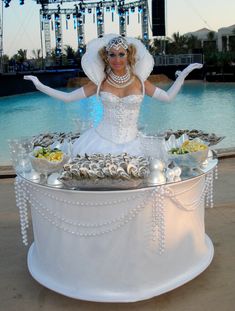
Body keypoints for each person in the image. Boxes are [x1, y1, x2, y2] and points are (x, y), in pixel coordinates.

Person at [24, 34, 202, 157]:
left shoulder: (140, 82)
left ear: (128, 55)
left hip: (134, 143)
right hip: (100, 141)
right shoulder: (100, 82)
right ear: (106, 57)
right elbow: (68, 98)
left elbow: (168, 97)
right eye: (112, 55)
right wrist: (40, 85)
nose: (117, 59)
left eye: (121, 54)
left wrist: (184, 75)